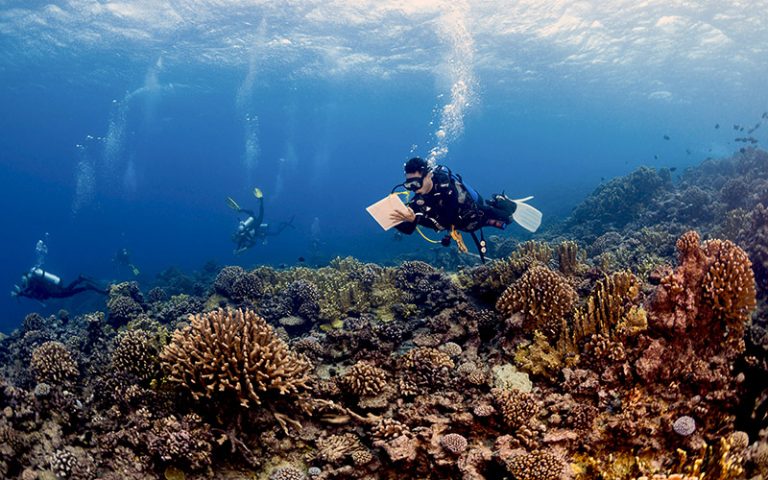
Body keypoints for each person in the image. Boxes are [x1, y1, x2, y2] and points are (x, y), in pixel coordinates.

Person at [390, 157, 541, 261]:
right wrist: (395, 219)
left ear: (429, 175)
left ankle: (504, 202)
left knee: (507, 219)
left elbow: (446, 221)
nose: (414, 190)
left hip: (474, 215)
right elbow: (409, 229)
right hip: (461, 225)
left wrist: (416, 219)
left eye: (416, 184)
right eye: (409, 186)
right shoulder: (419, 198)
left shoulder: (446, 187)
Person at [228, 187, 295, 255]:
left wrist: (241, 250)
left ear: (237, 237)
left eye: (236, 240)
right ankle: (283, 223)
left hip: (257, 227)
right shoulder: (241, 238)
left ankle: (260, 200)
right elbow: (241, 246)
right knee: (274, 231)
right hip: (258, 229)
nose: (237, 242)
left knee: (274, 231)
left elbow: (253, 243)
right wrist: (237, 251)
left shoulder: (241, 235)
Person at [11, 267, 108, 302]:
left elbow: (33, 293)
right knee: (68, 290)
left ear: (26, 277)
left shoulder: (33, 282)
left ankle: (88, 287)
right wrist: (22, 293)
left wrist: (21, 293)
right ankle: (80, 279)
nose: (23, 283)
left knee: (69, 292)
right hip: (54, 288)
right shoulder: (33, 282)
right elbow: (32, 293)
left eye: (23, 280)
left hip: (54, 292)